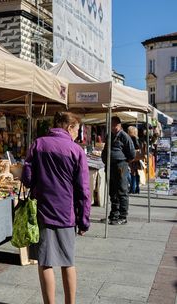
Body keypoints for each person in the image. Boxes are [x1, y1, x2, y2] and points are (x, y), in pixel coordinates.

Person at [21, 111, 91, 304]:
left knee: (45, 262)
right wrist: (84, 220)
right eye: (77, 129)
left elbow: (27, 179)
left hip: (42, 212)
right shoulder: (76, 151)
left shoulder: (38, 144)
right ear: (69, 127)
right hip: (66, 214)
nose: (78, 134)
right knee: (68, 262)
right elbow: (84, 190)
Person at [101, 116, 136, 225]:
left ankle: (123, 216)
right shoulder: (109, 135)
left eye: (115, 125)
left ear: (119, 125)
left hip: (121, 165)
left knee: (122, 190)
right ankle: (114, 214)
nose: (113, 127)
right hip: (110, 165)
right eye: (111, 125)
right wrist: (104, 158)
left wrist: (123, 161)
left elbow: (132, 153)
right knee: (112, 191)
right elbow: (106, 148)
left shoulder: (124, 136)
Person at [127, 126, 142, 194]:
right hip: (137, 158)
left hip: (133, 158)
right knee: (136, 173)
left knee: (132, 173)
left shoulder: (131, 138)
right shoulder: (137, 138)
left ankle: (132, 188)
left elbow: (133, 148)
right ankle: (137, 188)